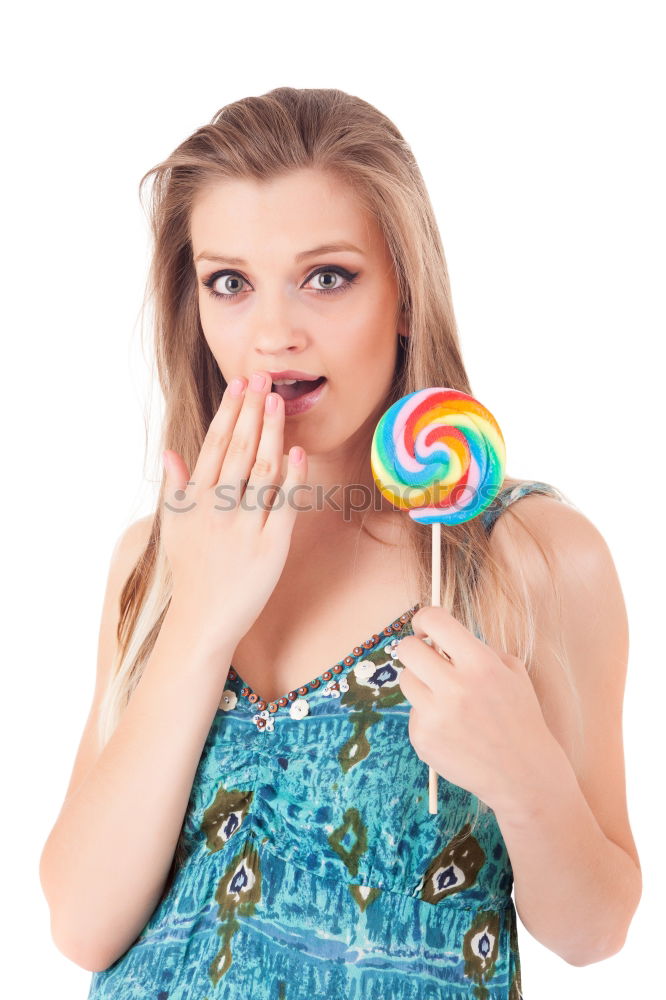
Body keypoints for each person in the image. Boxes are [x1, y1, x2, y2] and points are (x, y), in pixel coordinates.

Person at [39, 87, 641, 999]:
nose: (274, 334)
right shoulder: (157, 559)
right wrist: (201, 620)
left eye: (328, 276)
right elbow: (83, 921)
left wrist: (525, 777)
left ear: (406, 293)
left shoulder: (529, 560)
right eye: (229, 282)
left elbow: (597, 931)